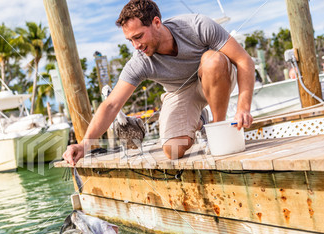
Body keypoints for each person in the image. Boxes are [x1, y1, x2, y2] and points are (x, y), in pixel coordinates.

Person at [63, 0, 254, 164]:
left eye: (138, 37)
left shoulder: (197, 25)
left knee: (213, 60)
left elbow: (244, 60)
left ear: (156, 23)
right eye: (130, 40)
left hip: (214, 76)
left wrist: (243, 107)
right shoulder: (139, 61)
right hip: (180, 92)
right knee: (173, 150)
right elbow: (112, 104)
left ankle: (217, 131)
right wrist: (84, 145)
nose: (136, 46)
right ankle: (200, 121)